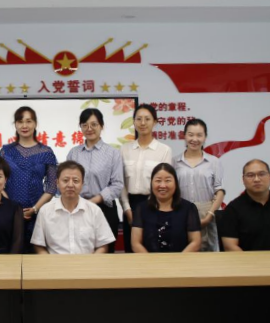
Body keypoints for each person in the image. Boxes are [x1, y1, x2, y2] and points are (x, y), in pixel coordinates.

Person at [0, 106, 58, 251]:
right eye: (20, 121)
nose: (24, 126)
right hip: (9, 214)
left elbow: (52, 187)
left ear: (35, 124)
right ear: (15, 124)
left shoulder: (46, 152)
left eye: (28, 121)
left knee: (37, 256)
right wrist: (12, 208)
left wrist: (35, 209)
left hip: (38, 214)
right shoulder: (6, 151)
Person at [67, 108, 123, 253]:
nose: (89, 128)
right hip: (77, 209)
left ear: (101, 126)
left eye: (94, 124)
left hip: (104, 209)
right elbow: (66, 180)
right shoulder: (74, 153)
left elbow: (117, 185)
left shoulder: (113, 153)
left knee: (105, 255)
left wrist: (94, 201)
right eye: (85, 125)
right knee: (78, 252)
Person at [31, 161, 115, 254]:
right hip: (55, 263)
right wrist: (50, 262)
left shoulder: (94, 210)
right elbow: (38, 245)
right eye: (65, 180)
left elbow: (103, 245)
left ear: (82, 184)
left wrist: (91, 262)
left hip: (87, 262)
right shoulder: (45, 211)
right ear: (57, 183)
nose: (70, 185)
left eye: (75, 181)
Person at [120, 104, 172, 252]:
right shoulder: (124, 149)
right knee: (131, 251)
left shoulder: (164, 150)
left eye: (147, 119)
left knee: (153, 250)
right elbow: (120, 182)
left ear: (155, 122)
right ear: (134, 121)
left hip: (155, 206)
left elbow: (164, 183)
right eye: (139, 119)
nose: (143, 123)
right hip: (130, 206)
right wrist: (127, 209)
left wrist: (148, 209)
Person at [172, 119, 225, 252]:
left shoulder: (213, 161)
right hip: (181, 213)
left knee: (208, 252)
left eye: (199, 135)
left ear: (205, 137)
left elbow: (219, 190)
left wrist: (209, 215)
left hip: (206, 212)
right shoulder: (174, 162)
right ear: (184, 136)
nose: (194, 139)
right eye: (190, 134)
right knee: (183, 251)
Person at [131, 163, 201, 253]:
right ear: (151, 183)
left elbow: (195, 242)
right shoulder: (141, 208)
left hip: (181, 260)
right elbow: (135, 243)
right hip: (149, 261)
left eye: (168, 180)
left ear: (175, 183)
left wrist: (180, 260)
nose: (163, 185)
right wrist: (150, 260)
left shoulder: (188, 208)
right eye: (158, 180)